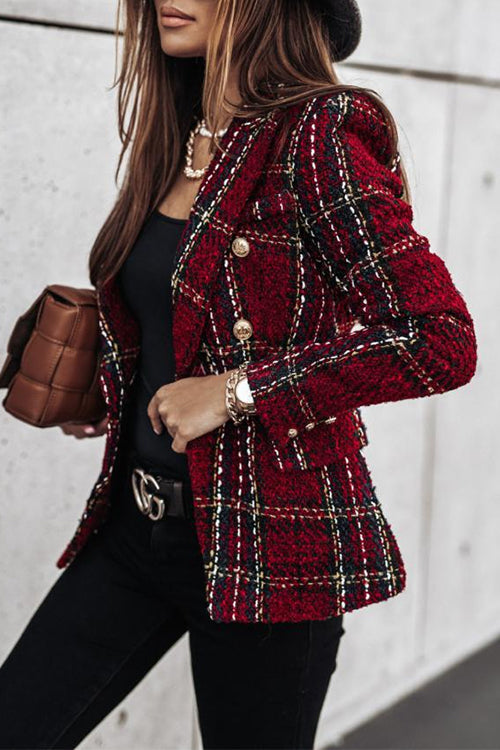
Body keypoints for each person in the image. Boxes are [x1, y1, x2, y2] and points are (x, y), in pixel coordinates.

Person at [0, 0, 477, 748]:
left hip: (269, 546)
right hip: (136, 527)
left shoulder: (317, 136)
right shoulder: (182, 134)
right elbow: (192, 308)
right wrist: (118, 384)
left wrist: (235, 393)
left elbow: (439, 338)